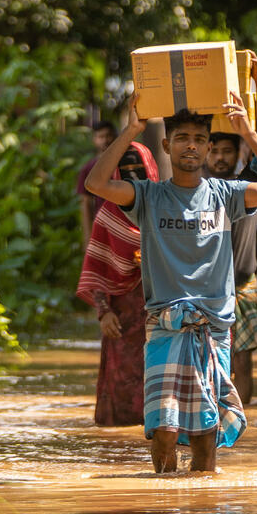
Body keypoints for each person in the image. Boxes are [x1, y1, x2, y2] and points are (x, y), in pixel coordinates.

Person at [86, 91, 257, 473]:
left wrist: (248, 134)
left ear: (209, 146)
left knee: (204, 434)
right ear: (166, 144)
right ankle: (165, 507)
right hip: (165, 329)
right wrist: (131, 129)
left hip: (213, 330)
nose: (191, 146)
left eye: (199, 139)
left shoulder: (226, 194)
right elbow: (98, 184)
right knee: (163, 429)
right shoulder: (149, 196)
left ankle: (203, 512)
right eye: (182, 138)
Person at [76, 143, 159, 425]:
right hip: (122, 319)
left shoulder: (165, 209)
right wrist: (103, 311)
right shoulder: (108, 215)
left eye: (139, 169)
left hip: (161, 315)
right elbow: (98, 265)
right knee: (121, 387)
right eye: (125, 170)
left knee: (162, 385)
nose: (133, 176)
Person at [205, 131, 257, 404]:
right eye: (214, 151)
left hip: (241, 285)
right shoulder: (196, 190)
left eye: (226, 151)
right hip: (206, 290)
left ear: (238, 152)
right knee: (207, 359)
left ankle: (244, 425)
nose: (219, 157)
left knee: (242, 360)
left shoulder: (249, 185)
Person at [77, 121, 117, 243]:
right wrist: (88, 236)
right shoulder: (88, 169)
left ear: (115, 136)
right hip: (102, 226)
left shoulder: (126, 163)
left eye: (108, 135)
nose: (105, 140)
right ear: (94, 139)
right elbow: (85, 204)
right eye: (101, 137)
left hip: (127, 224)